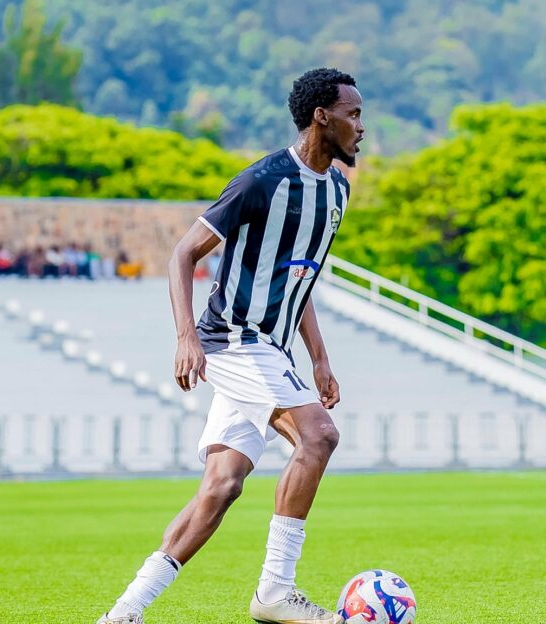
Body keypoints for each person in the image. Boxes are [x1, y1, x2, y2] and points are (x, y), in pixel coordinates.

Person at [98, 67, 363, 624]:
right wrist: (186, 337)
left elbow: (299, 278)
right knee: (319, 436)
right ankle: (275, 590)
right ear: (322, 117)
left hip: (272, 351)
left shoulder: (336, 190)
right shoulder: (260, 181)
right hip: (235, 342)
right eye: (353, 114)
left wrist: (319, 358)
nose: (361, 127)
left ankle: (124, 612)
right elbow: (183, 253)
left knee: (220, 488)